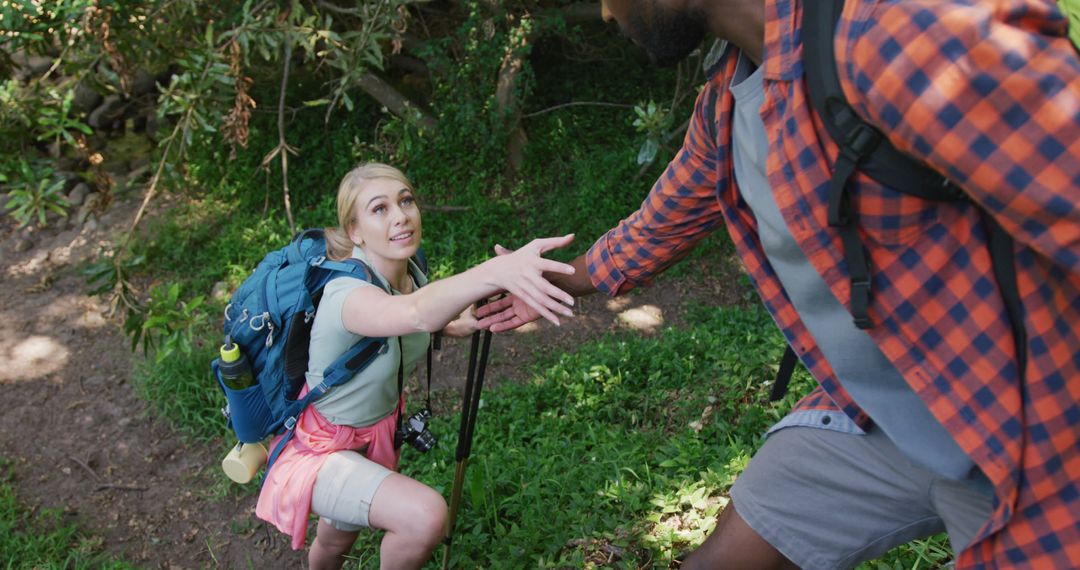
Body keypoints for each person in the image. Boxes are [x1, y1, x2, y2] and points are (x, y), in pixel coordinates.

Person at [477, 0, 1080, 567]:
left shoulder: (894, 34)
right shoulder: (732, 92)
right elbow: (660, 222)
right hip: (877, 412)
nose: (606, 11)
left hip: (1018, 430)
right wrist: (537, 281)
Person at [254, 162, 576, 570]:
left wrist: (471, 316)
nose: (400, 215)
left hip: (372, 439)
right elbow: (416, 314)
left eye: (405, 201)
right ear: (354, 231)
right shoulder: (346, 295)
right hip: (321, 450)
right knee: (423, 516)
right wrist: (494, 270)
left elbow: (421, 318)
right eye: (379, 209)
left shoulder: (408, 275)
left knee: (336, 542)